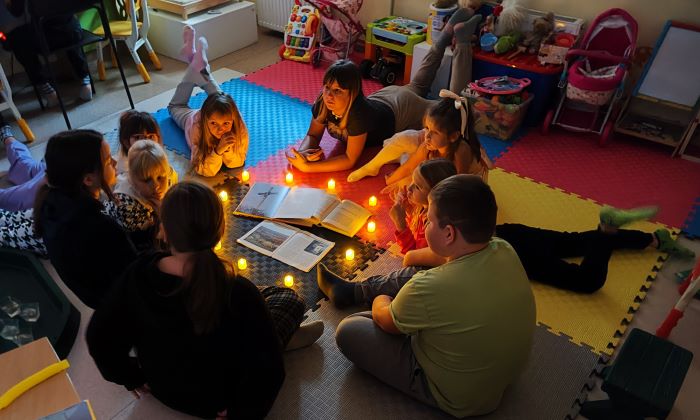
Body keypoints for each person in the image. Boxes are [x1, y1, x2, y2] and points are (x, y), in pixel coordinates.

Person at [86, 181, 323, 419]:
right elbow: (270, 371)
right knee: (288, 299)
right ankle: (284, 339)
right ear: (219, 230)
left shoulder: (137, 275)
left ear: (163, 229)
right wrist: (241, 413)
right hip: (220, 400)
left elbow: (99, 337)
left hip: (164, 390)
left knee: (257, 313)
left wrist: (130, 376)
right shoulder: (238, 292)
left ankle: (277, 336)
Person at [333, 174, 536, 418]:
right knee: (420, 283)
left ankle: (365, 292)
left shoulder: (428, 287)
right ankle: (368, 294)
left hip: (461, 397)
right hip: (504, 374)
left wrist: (382, 299)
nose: (426, 224)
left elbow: (385, 321)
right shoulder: (503, 248)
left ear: (449, 233)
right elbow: (446, 263)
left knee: (350, 329)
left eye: (429, 220)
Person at [286, 0, 483, 174]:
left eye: (337, 91)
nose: (329, 95)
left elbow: (350, 160)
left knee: (455, 107)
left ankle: (463, 41)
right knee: (418, 84)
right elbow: (313, 135)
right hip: (386, 96)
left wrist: (309, 167)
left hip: (402, 110)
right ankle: (446, 32)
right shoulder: (324, 100)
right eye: (327, 88)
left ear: (352, 93)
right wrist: (303, 153)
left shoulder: (357, 115)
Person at [34, 129, 137, 309]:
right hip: (117, 303)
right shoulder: (102, 227)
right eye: (108, 161)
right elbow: (136, 274)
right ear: (88, 179)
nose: (114, 162)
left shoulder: (48, 202)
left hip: (91, 295)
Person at [0, 109, 165, 212]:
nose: (146, 141)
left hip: (59, 167)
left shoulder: (156, 160)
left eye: (151, 137)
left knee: (26, 166)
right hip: (58, 176)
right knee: (9, 198)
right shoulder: (122, 167)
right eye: (138, 137)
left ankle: (8, 138)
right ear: (125, 141)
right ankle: (8, 139)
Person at [347, 90, 491, 185]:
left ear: (453, 136)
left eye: (435, 132)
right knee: (406, 177)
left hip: (464, 183)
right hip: (440, 172)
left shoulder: (461, 150)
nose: (427, 135)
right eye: (427, 128)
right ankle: (377, 165)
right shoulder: (429, 144)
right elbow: (410, 166)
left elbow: (457, 185)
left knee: (416, 187)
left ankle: (403, 158)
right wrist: (390, 181)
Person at [168, 26, 248, 177]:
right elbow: (203, 170)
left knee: (221, 100)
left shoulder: (238, 126)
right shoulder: (197, 127)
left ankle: (195, 62)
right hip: (192, 118)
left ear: (233, 120)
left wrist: (227, 149)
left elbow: (237, 162)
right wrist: (217, 152)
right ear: (205, 120)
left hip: (216, 111)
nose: (220, 129)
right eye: (214, 124)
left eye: (226, 124)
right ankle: (197, 65)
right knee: (175, 106)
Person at [0, 0, 93, 105]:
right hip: (74, 32)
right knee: (66, 25)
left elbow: (17, 11)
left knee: (16, 38)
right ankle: (85, 80)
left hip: (46, 40)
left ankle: (47, 90)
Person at [113, 139, 176, 251]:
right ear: (132, 178)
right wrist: (162, 214)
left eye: (160, 178)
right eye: (147, 180)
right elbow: (141, 242)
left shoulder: (168, 175)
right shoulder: (126, 204)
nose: (156, 186)